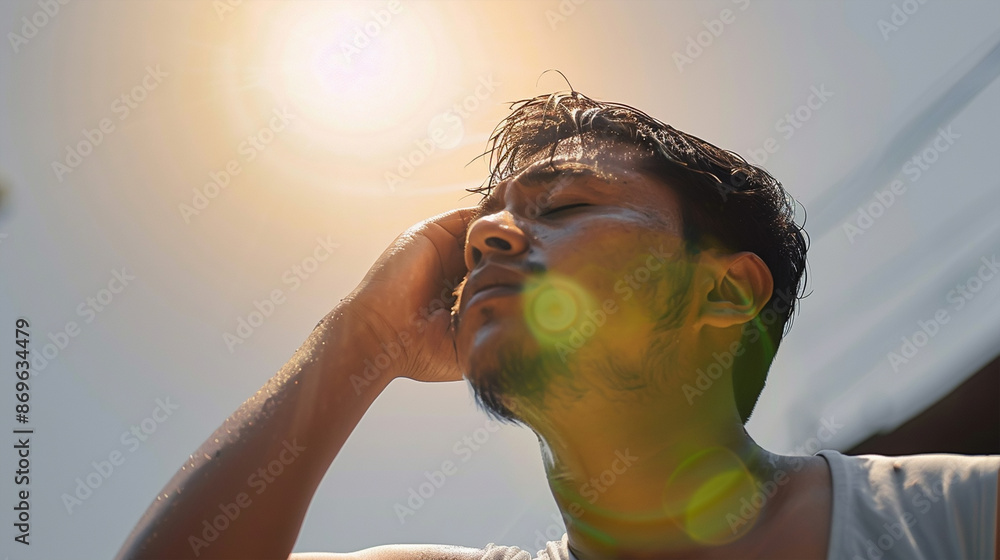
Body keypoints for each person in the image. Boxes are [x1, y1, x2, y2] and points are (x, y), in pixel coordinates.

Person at [115, 91, 1000, 560]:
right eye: (482, 228)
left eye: (567, 204)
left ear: (726, 297)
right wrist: (359, 343)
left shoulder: (953, 520)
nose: (486, 235)